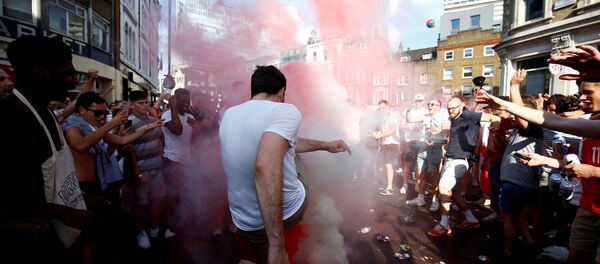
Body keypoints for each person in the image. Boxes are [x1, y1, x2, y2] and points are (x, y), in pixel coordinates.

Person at [219, 65, 350, 264]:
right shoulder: (285, 110)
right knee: (276, 253)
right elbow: (265, 167)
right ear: (281, 91)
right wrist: (276, 243)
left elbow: (282, 144)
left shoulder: (228, 114)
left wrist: (326, 145)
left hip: (245, 219)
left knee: (273, 260)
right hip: (289, 209)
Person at [478, 81, 600, 263]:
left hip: (574, 198)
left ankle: (523, 246)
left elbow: (548, 120)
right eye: (580, 92)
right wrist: (543, 160)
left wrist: (594, 172)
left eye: (587, 92)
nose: (581, 98)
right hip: (587, 206)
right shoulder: (590, 122)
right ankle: (531, 242)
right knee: (576, 257)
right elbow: (553, 121)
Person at [0, 36, 95, 262]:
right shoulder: (8, 116)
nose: (73, 82)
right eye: (68, 74)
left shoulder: (46, 112)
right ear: (40, 71)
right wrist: (61, 212)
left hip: (61, 241)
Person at [427, 96, 500, 236]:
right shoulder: (454, 118)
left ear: (461, 107)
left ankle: (444, 224)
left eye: (453, 108)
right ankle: (472, 220)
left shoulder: (470, 116)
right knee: (453, 193)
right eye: (448, 109)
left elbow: (495, 119)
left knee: (443, 187)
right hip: (449, 159)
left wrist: (494, 133)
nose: (450, 111)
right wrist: (445, 145)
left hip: (460, 161)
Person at [126, 90, 173, 248]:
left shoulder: (154, 119)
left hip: (157, 168)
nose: (145, 105)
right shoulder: (129, 123)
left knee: (158, 199)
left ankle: (155, 228)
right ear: (132, 104)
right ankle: (141, 232)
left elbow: (160, 141)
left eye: (146, 102)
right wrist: (138, 173)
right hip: (142, 171)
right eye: (140, 103)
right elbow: (129, 151)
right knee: (140, 203)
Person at [406, 98, 449, 211]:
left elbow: (446, 131)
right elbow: (410, 119)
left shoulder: (443, 117)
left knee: (434, 176)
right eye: (429, 104)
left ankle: (435, 200)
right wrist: (410, 108)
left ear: (439, 107)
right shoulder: (425, 116)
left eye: (433, 104)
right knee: (420, 174)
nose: (430, 106)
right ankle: (420, 198)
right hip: (423, 148)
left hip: (435, 150)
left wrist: (433, 133)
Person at [375, 100, 400, 196]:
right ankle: (388, 185)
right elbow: (382, 131)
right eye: (380, 108)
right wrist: (380, 144)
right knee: (385, 165)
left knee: (388, 164)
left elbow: (392, 130)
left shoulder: (391, 116)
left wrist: (380, 135)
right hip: (385, 143)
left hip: (391, 143)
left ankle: (389, 188)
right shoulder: (382, 117)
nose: (381, 110)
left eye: (383, 107)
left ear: (388, 106)